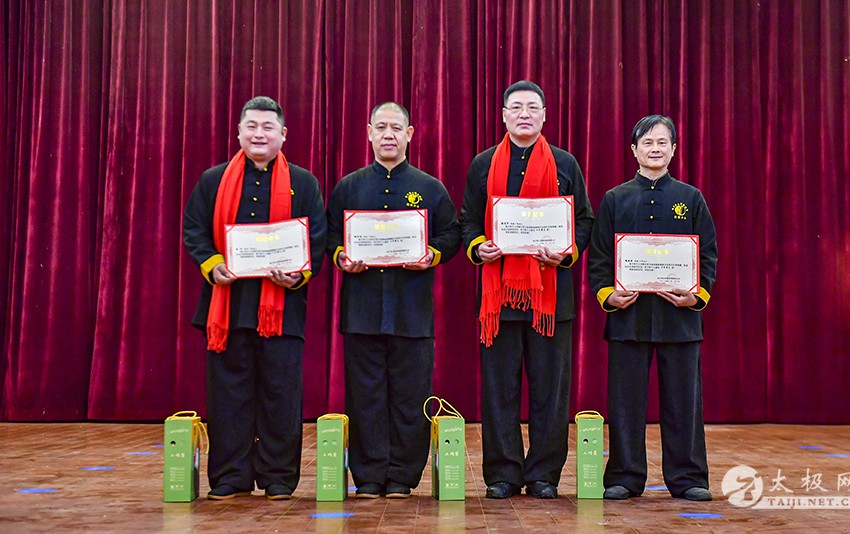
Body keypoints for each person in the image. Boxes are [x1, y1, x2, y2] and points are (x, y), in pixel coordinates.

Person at [183, 96, 326, 501]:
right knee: (228, 397)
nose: (259, 134)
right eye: (252, 126)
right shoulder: (213, 180)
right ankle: (230, 476)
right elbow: (194, 229)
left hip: (282, 309)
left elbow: (316, 237)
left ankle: (279, 477)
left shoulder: (304, 183)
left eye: (268, 127)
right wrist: (212, 264)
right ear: (239, 132)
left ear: (283, 134)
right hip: (226, 307)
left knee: (281, 396)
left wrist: (298, 274)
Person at [460, 80, 593, 499]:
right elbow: (468, 221)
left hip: (550, 299)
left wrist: (566, 253)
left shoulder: (565, 164)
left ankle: (543, 475)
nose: (524, 114)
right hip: (498, 299)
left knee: (550, 391)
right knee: (499, 390)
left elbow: (584, 221)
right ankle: (502, 474)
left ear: (544, 115)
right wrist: (479, 246)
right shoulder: (483, 164)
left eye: (532, 107)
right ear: (503, 115)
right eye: (515, 107)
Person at [326, 102, 461, 499]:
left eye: (396, 128)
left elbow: (451, 234)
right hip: (361, 311)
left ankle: (403, 475)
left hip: (412, 311)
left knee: (410, 396)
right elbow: (330, 236)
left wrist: (432, 254)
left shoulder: (430, 188)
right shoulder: (348, 187)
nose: (389, 134)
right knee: (364, 396)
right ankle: (368, 476)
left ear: (410, 134)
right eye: (381, 127)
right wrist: (341, 256)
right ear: (369, 132)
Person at [588, 115, 718, 501]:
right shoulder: (615, 198)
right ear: (634, 150)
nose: (655, 149)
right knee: (625, 403)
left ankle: (688, 478)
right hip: (628, 318)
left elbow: (707, 255)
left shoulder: (691, 198)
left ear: (674, 149)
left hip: (680, 318)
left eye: (662, 142)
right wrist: (607, 295)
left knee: (683, 403)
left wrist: (697, 295)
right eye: (647, 142)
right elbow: (599, 258)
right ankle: (624, 476)